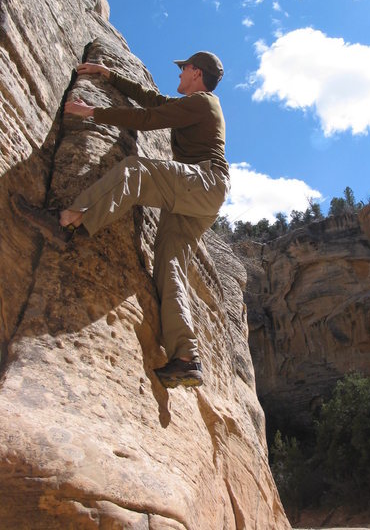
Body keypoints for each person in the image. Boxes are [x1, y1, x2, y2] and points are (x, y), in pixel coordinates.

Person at [12, 51, 230, 389]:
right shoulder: (195, 104)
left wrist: (92, 112)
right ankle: (186, 357)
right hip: (200, 198)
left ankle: (67, 220)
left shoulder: (203, 103)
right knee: (169, 265)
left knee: (136, 170)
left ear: (196, 72)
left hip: (204, 182)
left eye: (183, 68)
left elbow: (148, 119)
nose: (180, 72)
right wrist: (109, 75)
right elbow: (154, 102)